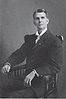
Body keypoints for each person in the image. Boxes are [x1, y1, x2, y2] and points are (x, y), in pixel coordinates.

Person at [1, 8, 63, 98]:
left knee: (12, 96)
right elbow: (20, 54)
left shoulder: (54, 41)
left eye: (42, 18)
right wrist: (8, 63)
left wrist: (35, 72)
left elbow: (56, 66)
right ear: (34, 21)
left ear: (47, 21)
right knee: (2, 87)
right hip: (25, 78)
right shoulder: (30, 39)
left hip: (41, 84)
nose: (40, 20)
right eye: (37, 18)